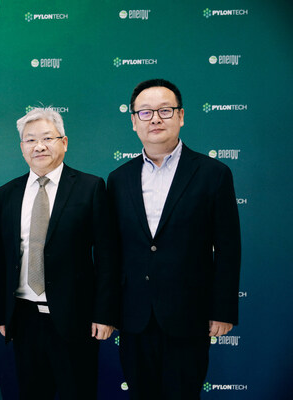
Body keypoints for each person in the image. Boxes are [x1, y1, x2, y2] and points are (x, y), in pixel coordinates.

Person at [107, 79, 241, 399]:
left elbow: (228, 248)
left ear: (181, 116)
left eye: (165, 111)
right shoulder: (119, 178)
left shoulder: (213, 173)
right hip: (134, 317)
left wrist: (223, 310)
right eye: (145, 112)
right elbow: (112, 252)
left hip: (189, 315)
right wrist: (108, 312)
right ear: (134, 121)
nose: (155, 119)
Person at [0, 107, 119, 399]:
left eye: (47, 138)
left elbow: (107, 257)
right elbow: (0, 258)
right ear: (22, 147)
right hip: (23, 318)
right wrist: (3, 315)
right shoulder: (6, 193)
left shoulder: (90, 187)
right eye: (30, 140)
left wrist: (105, 313)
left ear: (64, 142)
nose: (39, 146)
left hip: (75, 318)